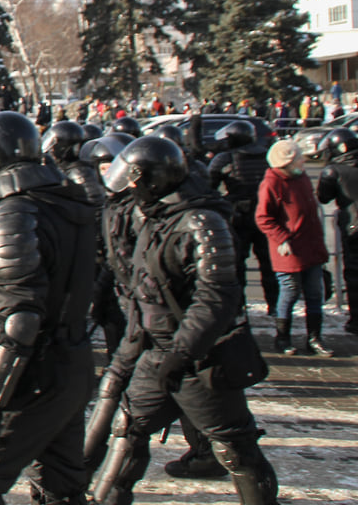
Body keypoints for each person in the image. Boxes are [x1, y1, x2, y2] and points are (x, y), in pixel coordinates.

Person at [93, 137, 278, 505]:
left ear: (150, 179)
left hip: (200, 358)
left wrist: (182, 352)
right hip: (157, 352)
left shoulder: (202, 222)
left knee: (234, 447)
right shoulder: (156, 216)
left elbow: (217, 299)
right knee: (128, 429)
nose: (129, 189)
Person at [0, 112, 97, 505]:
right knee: (61, 486)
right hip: (69, 362)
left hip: (29, 374)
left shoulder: (15, 211)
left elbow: (21, 318)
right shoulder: (66, 201)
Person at [256, 139, 331, 357]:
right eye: (298, 158)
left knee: (315, 294)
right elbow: (263, 218)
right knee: (290, 292)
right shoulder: (272, 183)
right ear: (286, 163)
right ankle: (282, 337)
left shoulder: (302, 177)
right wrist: (282, 238)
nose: (303, 161)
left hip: (312, 245)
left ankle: (314, 338)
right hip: (289, 249)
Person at [208, 120, 276, 314]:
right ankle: (274, 305)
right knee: (268, 263)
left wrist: (224, 201)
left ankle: (239, 306)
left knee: (237, 263)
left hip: (239, 215)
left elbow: (209, 184)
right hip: (265, 214)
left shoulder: (226, 158)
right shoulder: (267, 156)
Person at [317, 127, 358, 335]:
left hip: (353, 225)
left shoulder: (334, 170)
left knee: (353, 272)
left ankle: (356, 319)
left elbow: (323, 197)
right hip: (353, 222)